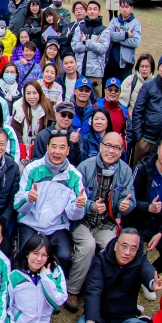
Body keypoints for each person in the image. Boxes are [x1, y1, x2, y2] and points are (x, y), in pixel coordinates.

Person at [76, 228, 162, 323]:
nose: (127, 252)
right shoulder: (100, 260)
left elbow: (147, 270)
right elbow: (93, 291)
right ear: (116, 245)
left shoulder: (139, 260)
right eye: (124, 246)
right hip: (100, 318)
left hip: (124, 319)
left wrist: (153, 283)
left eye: (133, 248)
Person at [66, 131, 133, 312]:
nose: (111, 151)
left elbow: (130, 198)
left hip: (107, 223)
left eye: (116, 148)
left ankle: (101, 291)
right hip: (82, 221)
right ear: (101, 146)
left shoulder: (126, 171)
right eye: (108, 145)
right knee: (88, 246)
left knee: (112, 248)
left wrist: (125, 206)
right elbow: (73, 197)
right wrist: (91, 206)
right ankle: (73, 290)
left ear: (121, 151)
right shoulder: (85, 167)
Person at [13, 131, 86, 277]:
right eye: (53, 146)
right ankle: (23, 283)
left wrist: (78, 206)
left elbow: (74, 215)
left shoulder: (74, 176)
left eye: (62, 147)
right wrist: (29, 199)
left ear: (68, 150)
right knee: (25, 254)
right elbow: (18, 205)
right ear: (47, 148)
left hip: (57, 227)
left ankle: (55, 285)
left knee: (64, 256)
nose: (57, 151)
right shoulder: (32, 169)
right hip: (31, 223)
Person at [2, 233, 74, 323]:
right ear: (27, 253)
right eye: (35, 253)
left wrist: (46, 277)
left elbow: (57, 302)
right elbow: (6, 308)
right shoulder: (14, 276)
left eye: (44, 255)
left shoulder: (55, 272)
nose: (39, 259)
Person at [128, 135, 162, 274]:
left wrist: (161, 233)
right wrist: (148, 207)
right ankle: (140, 276)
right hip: (137, 222)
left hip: (158, 225)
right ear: (158, 150)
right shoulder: (141, 169)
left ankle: (150, 276)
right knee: (134, 254)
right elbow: (129, 200)